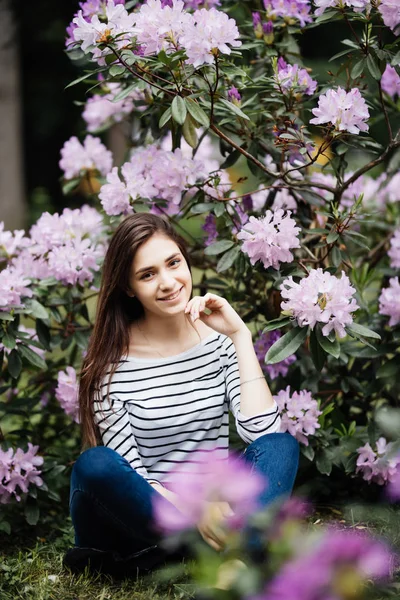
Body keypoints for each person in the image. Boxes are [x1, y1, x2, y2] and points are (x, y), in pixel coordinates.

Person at [64, 212, 299, 576]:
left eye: (173, 263)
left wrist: (240, 338)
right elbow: (135, 477)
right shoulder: (110, 367)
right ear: (128, 288)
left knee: (281, 446)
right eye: (147, 274)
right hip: (145, 519)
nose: (168, 282)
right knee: (96, 465)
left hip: (212, 507)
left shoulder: (219, 345)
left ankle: (231, 553)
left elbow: (261, 433)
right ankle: (237, 548)